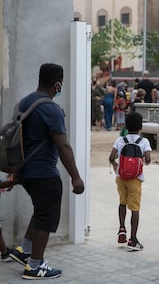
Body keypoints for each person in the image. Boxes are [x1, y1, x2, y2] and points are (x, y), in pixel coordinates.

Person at [9, 63, 85, 279]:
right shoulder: (51, 109)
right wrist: (76, 177)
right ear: (58, 84)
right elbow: (63, 146)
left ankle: (24, 250)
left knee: (41, 210)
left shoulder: (24, 102)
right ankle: (35, 266)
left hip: (24, 171)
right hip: (44, 173)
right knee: (46, 217)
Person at [108, 112, 152, 250]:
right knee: (135, 208)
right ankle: (133, 239)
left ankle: (122, 228)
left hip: (121, 177)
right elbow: (148, 159)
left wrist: (115, 165)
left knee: (122, 203)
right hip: (135, 178)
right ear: (140, 127)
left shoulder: (120, 140)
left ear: (126, 126)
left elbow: (111, 157)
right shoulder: (144, 142)